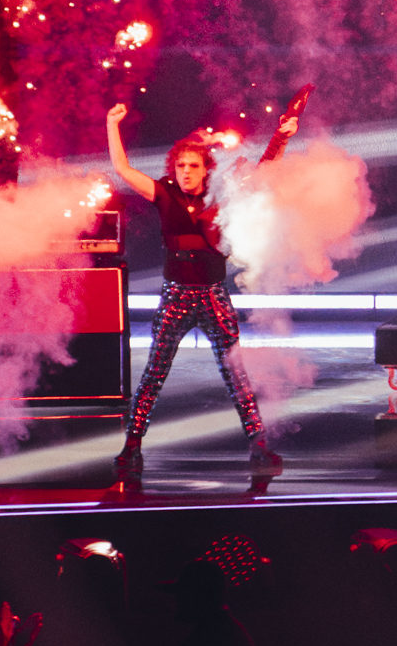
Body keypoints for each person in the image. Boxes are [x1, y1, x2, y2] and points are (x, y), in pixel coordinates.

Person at [105, 85, 309, 493]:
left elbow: (266, 170)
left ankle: (259, 447)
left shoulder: (221, 195)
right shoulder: (163, 194)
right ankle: (132, 447)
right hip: (176, 296)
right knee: (154, 375)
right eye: (180, 165)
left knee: (235, 373)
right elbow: (124, 171)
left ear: (204, 169)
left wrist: (283, 134)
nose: (185, 171)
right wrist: (112, 125)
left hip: (214, 295)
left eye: (192, 165)